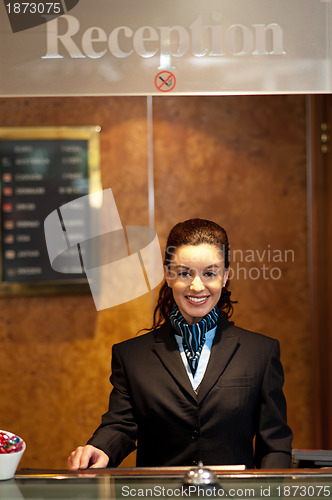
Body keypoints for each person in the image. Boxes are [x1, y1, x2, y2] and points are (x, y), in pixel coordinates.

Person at [68, 218, 292, 470]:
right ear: (168, 275)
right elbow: (121, 424)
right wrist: (99, 448)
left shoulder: (260, 352)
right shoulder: (130, 356)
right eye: (185, 273)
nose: (197, 286)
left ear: (226, 276)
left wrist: (270, 491)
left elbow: (274, 444)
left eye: (210, 273)